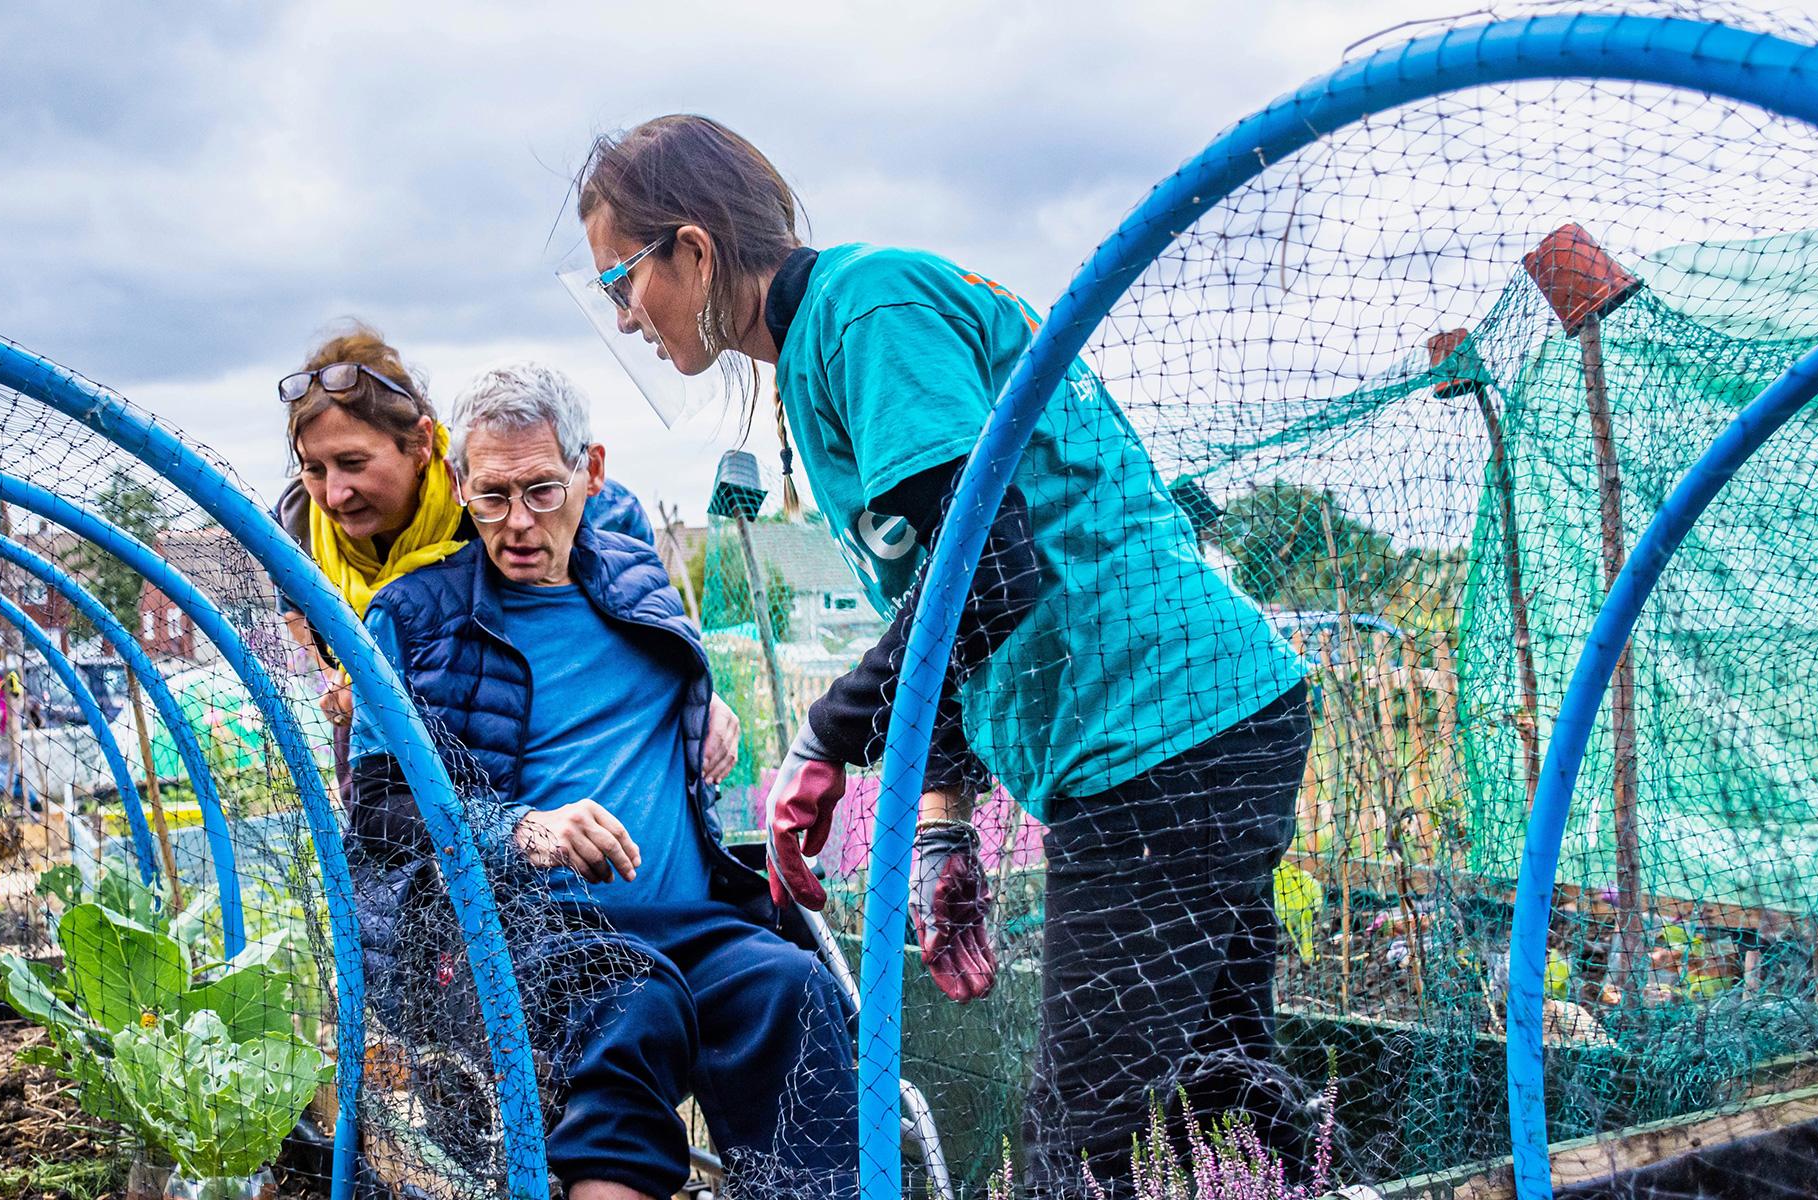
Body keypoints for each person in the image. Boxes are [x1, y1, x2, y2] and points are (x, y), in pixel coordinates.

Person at [572, 115, 1313, 1190]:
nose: (623, 317)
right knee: (1218, 1081)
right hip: (1194, 728)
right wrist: (940, 825)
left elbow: (992, 575)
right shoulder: (827, 346)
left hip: (1164, 733)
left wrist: (825, 737)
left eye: (621, 282)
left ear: (691, 248)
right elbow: (949, 614)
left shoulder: (869, 313)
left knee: (1078, 1137)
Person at [347, 361, 855, 1200]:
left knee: (789, 986)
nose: (516, 523)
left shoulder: (635, 572)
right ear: (456, 482)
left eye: (542, 491)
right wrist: (520, 830)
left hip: (690, 922)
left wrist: (709, 703)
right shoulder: (412, 616)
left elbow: (671, 676)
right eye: (492, 496)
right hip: (534, 939)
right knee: (635, 1009)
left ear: (590, 471)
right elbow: (373, 813)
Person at [271, 323, 737, 777]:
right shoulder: (297, 523)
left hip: (491, 708)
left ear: (420, 443)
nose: (333, 494)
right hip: (393, 724)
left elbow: (621, 550)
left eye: (354, 463)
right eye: (314, 468)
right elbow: (298, 607)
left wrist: (688, 685)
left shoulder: (489, 493)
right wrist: (343, 674)